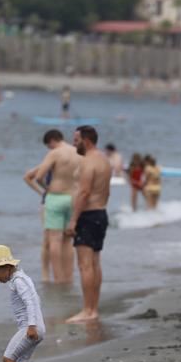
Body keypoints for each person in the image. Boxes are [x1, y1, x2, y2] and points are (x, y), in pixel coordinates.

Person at [64, 125, 111, 323]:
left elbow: (84, 192)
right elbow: (105, 191)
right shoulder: (104, 160)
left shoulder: (88, 162)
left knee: (84, 265)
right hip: (100, 213)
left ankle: (87, 310)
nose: (74, 144)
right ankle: (93, 309)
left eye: (76, 140)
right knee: (94, 263)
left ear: (86, 141)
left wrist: (73, 220)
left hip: (88, 216)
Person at [25, 129, 80, 285]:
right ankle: (69, 278)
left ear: (52, 141)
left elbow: (39, 176)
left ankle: (58, 279)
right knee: (68, 241)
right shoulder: (77, 152)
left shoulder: (55, 153)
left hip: (56, 197)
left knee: (54, 240)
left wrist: (47, 188)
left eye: (49, 145)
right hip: (73, 198)